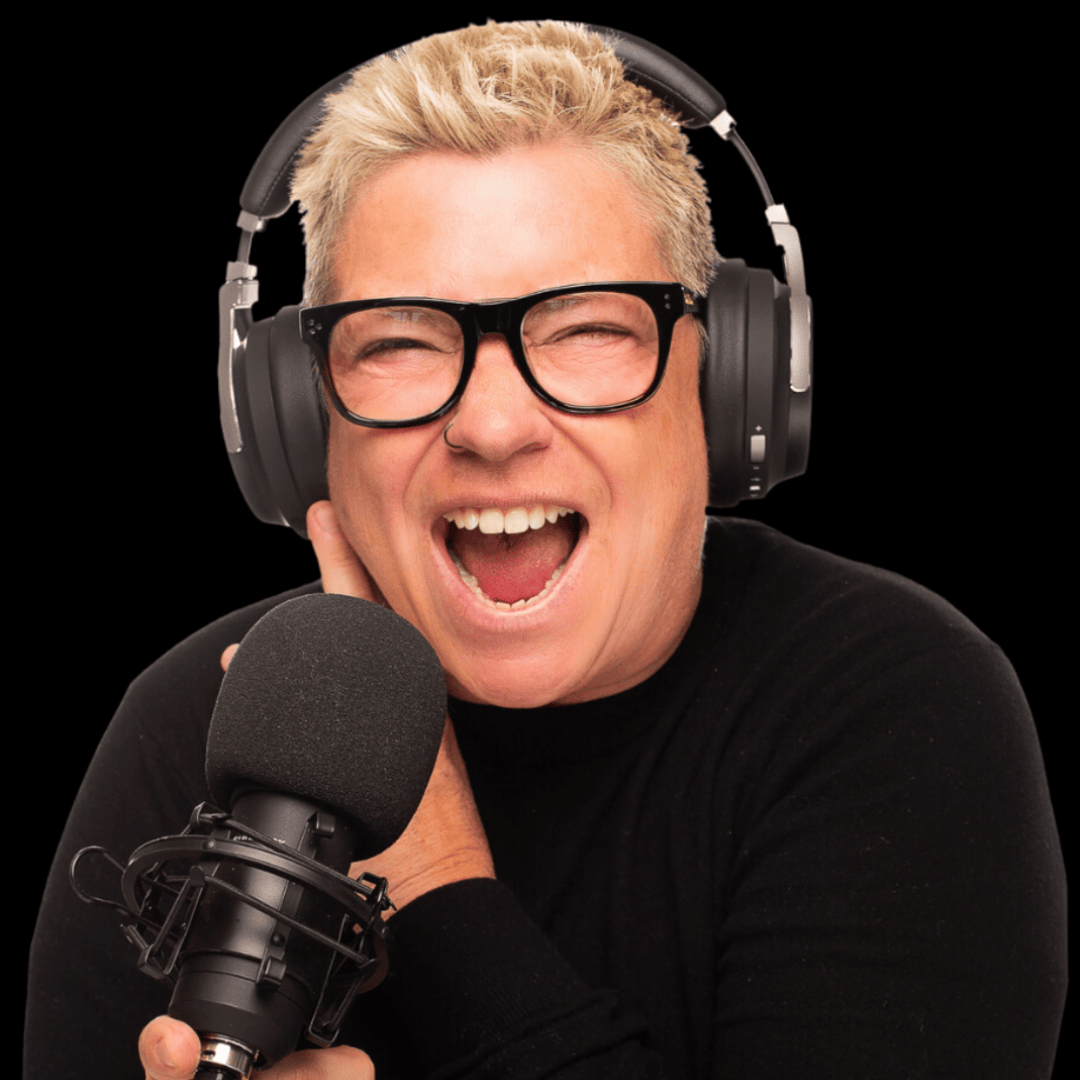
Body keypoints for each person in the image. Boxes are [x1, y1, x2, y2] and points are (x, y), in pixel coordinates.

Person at [26, 20, 1066, 1080]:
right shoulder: (195, 727)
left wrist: (435, 877)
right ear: (298, 417)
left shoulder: (894, 700)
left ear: (728, 385)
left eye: (586, 330)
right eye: (399, 341)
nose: (491, 426)